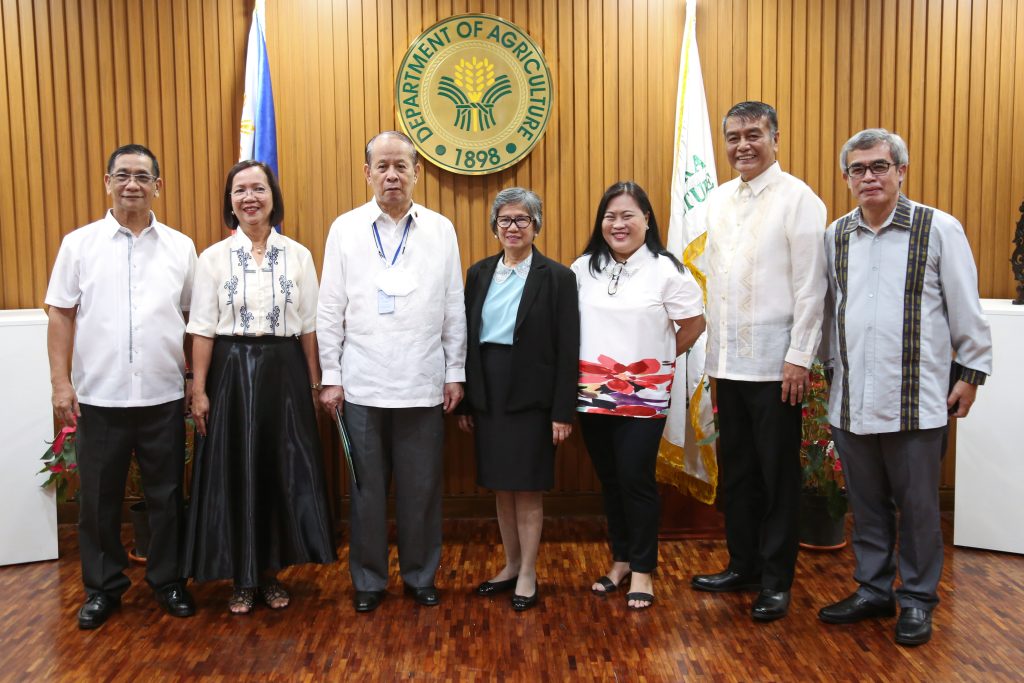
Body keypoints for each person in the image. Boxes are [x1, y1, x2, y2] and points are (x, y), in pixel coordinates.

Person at [818, 129, 992, 646]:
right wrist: (829, 370)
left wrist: (972, 374)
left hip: (918, 399)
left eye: (878, 167)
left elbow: (966, 306)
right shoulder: (836, 235)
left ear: (901, 171)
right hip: (851, 397)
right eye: (858, 169)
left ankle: (916, 600)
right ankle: (874, 590)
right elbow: (831, 312)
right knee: (867, 506)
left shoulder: (939, 229)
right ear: (847, 178)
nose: (868, 177)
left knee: (918, 510)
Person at [45, 144, 198, 629]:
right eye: (123, 175)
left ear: (159, 185)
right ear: (107, 182)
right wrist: (59, 384)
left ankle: (169, 581)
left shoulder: (180, 246)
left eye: (142, 176)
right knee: (97, 502)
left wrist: (194, 384)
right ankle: (103, 587)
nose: (132, 184)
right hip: (99, 399)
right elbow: (61, 314)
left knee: (167, 496)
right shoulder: (79, 244)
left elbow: (195, 321)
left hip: (162, 396)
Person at [317, 131, 467, 613]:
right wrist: (331, 376)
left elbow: (453, 306)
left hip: (423, 383)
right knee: (365, 491)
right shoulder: (345, 229)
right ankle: (368, 580)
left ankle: (421, 575)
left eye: (401, 166)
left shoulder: (441, 230)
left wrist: (455, 371)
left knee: (422, 490)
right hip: (362, 383)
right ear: (367, 173)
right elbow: (329, 308)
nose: (392, 175)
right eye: (382, 166)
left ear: (416, 172)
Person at [690, 101, 827, 622]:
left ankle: (776, 580)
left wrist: (799, 358)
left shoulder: (799, 200)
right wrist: (711, 359)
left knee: (777, 478)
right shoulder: (720, 200)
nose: (742, 145)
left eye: (754, 134)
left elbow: (811, 289)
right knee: (740, 475)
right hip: (728, 364)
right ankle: (742, 564)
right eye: (733, 137)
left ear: (775, 137)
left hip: (777, 369)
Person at [184, 160, 336, 614]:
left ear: (273, 196)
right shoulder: (211, 258)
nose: (249, 197)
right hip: (230, 371)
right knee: (235, 471)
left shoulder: (298, 255)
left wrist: (314, 384)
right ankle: (241, 578)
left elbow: (309, 326)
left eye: (258, 188)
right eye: (240, 190)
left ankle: (269, 574)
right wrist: (200, 389)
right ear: (230, 201)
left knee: (277, 472)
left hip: (284, 372)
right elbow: (203, 329)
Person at [573, 181, 706, 610]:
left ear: (647, 220)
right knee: (610, 480)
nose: (618, 223)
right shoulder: (583, 268)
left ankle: (645, 569)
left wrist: (658, 358)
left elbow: (693, 325)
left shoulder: (668, 270)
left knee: (636, 479)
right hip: (592, 392)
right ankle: (622, 560)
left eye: (628, 215)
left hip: (643, 395)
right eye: (610, 216)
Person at [456, 188, 579, 611]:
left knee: (527, 489)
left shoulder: (558, 277)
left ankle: (528, 571)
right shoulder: (478, 273)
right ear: (494, 227)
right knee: (501, 487)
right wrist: (469, 401)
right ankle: (509, 564)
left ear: (536, 226)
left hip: (533, 398)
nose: (512, 227)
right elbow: (467, 340)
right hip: (488, 392)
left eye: (521, 220)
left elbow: (568, 348)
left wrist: (563, 411)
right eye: (505, 220)